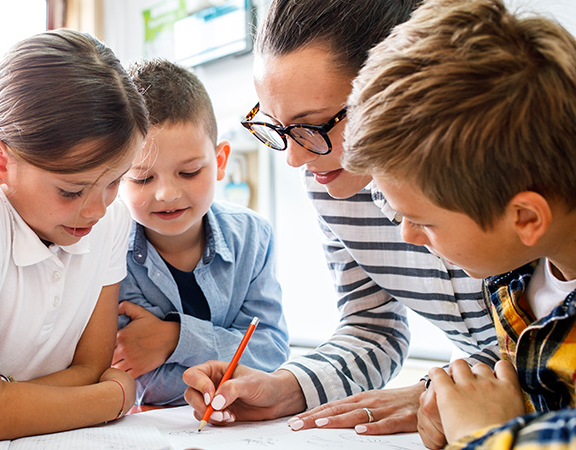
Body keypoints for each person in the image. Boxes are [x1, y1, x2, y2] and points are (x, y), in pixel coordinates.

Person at [182, 0, 500, 434]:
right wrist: (285, 387)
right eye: (277, 126)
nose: (295, 159)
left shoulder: (507, 164)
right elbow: (373, 327)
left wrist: (437, 388)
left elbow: (550, 336)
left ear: (395, 85)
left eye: (312, 125)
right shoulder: (329, 179)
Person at [342, 0, 576, 447]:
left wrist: (483, 434)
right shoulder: (517, 273)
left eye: (422, 222)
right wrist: (468, 398)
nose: (406, 235)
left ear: (524, 218)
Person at [0, 29, 148, 443]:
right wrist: (114, 399)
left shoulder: (112, 220)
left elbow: (89, 367)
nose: (96, 209)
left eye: (115, 182)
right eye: (70, 190)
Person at [114, 59, 290, 406]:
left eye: (190, 172)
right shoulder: (111, 249)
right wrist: (226, 359)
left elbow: (270, 352)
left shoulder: (253, 237)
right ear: (116, 175)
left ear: (220, 161)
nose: (167, 194)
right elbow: (137, 376)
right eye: (143, 178)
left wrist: (176, 339)